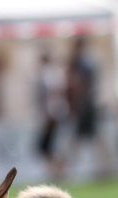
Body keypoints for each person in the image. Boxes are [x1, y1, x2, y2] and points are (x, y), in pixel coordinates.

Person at [66, 37, 109, 178]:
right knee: (89, 137)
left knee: (88, 137)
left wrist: (79, 104)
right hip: (87, 104)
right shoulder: (85, 62)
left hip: (86, 105)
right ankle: (102, 166)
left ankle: (102, 166)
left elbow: (82, 86)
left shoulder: (83, 63)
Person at [35, 51, 68, 180]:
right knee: (48, 146)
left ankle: (58, 170)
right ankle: (57, 170)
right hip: (54, 114)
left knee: (46, 146)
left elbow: (52, 96)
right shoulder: (54, 74)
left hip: (52, 115)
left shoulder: (48, 75)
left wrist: (49, 114)